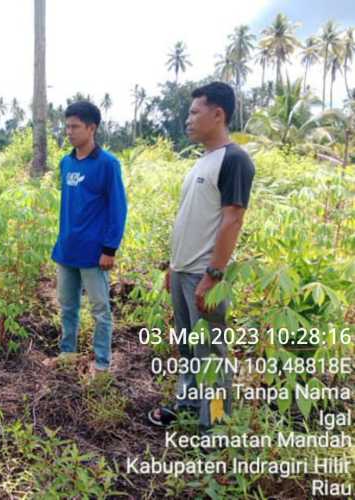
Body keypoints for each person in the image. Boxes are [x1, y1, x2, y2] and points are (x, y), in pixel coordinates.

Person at [148, 82, 255, 430]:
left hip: (204, 276)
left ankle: (218, 424)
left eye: (195, 112)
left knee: (212, 354)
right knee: (189, 349)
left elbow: (232, 219)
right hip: (183, 271)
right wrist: (172, 267)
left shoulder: (234, 159)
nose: (188, 119)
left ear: (218, 114)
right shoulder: (202, 162)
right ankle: (189, 404)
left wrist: (213, 276)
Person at [43, 101, 127, 376]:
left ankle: (102, 364)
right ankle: (68, 352)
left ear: (92, 128)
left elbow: (118, 208)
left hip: (94, 253)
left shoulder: (107, 164)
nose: (69, 131)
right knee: (67, 305)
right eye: (67, 126)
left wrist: (109, 249)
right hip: (67, 249)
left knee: (100, 310)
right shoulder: (66, 162)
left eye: (75, 126)